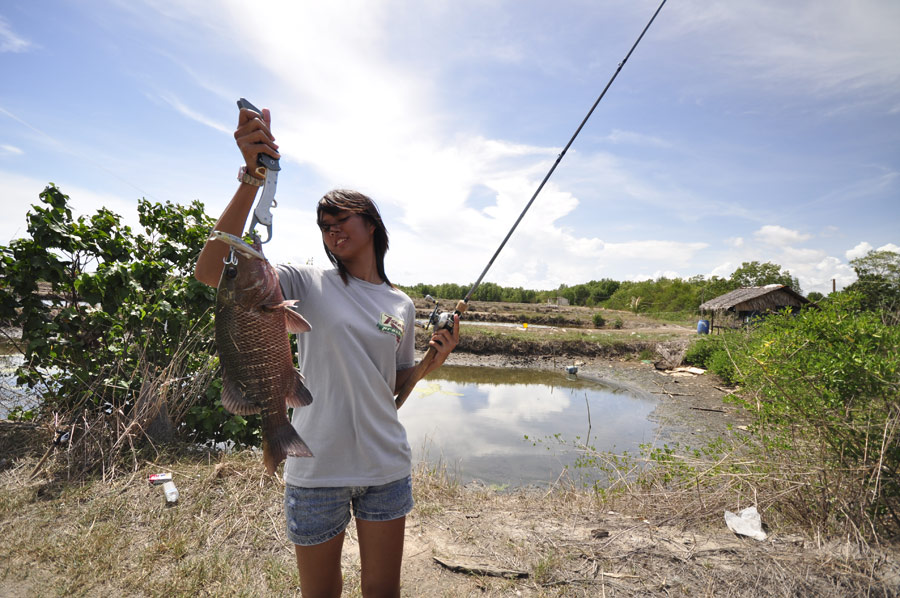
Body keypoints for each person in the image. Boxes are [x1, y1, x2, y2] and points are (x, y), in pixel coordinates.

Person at [194, 105, 459, 598]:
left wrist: (428, 364)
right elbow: (214, 269)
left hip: (385, 467)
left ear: (372, 225)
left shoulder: (399, 303)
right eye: (323, 223)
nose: (331, 228)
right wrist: (252, 179)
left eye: (341, 218)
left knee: (383, 591)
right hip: (316, 468)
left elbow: (391, 392)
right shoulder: (303, 283)